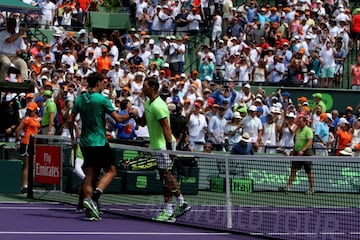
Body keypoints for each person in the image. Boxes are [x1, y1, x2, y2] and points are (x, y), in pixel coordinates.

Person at [69, 72, 134, 221]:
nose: (105, 84)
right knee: (111, 171)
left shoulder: (80, 99)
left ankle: (90, 210)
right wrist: (130, 115)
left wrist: (73, 139)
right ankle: (94, 197)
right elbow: (118, 118)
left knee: (90, 175)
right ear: (97, 83)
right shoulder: (102, 99)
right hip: (99, 142)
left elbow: (70, 120)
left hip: (85, 143)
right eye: (103, 82)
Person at [135, 76, 191, 222]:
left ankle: (178, 204)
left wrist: (169, 150)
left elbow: (166, 127)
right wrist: (134, 116)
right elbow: (142, 123)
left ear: (152, 87)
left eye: (145, 86)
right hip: (158, 146)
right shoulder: (148, 103)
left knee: (166, 176)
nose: (142, 88)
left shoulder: (158, 106)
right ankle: (172, 208)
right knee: (165, 176)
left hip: (163, 146)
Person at [279, 116, 314, 195]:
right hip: (297, 153)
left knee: (308, 171)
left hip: (306, 153)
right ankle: (287, 187)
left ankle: (311, 188)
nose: (299, 123)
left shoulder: (308, 130)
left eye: (301, 122)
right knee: (293, 170)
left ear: (305, 122)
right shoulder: (298, 131)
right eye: (299, 122)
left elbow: (310, 142)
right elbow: (296, 142)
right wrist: (294, 150)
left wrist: (303, 150)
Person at [15, 102, 41, 193]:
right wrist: (17, 141)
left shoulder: (36, 119)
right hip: (26, 142)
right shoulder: (26, 119)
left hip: (33, 143)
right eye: (29, 110)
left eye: (31, 110)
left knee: (30, 166)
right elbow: (18, 130)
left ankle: (27, 185)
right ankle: (24, 186)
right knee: (26, 165)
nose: (30, 111)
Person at [0, 18, 28, 82]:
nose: (11, 26)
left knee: (23, 63)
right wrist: (19, 33)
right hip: (2, 54)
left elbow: (24, 48)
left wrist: (21, 51)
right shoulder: (3, 33)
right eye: (10, 25)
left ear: (15, 26)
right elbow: (9, 40)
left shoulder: (19, 36)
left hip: (13, 56)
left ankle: (25, 80)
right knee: (6, 63)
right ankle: (2, 80)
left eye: (13, 25)